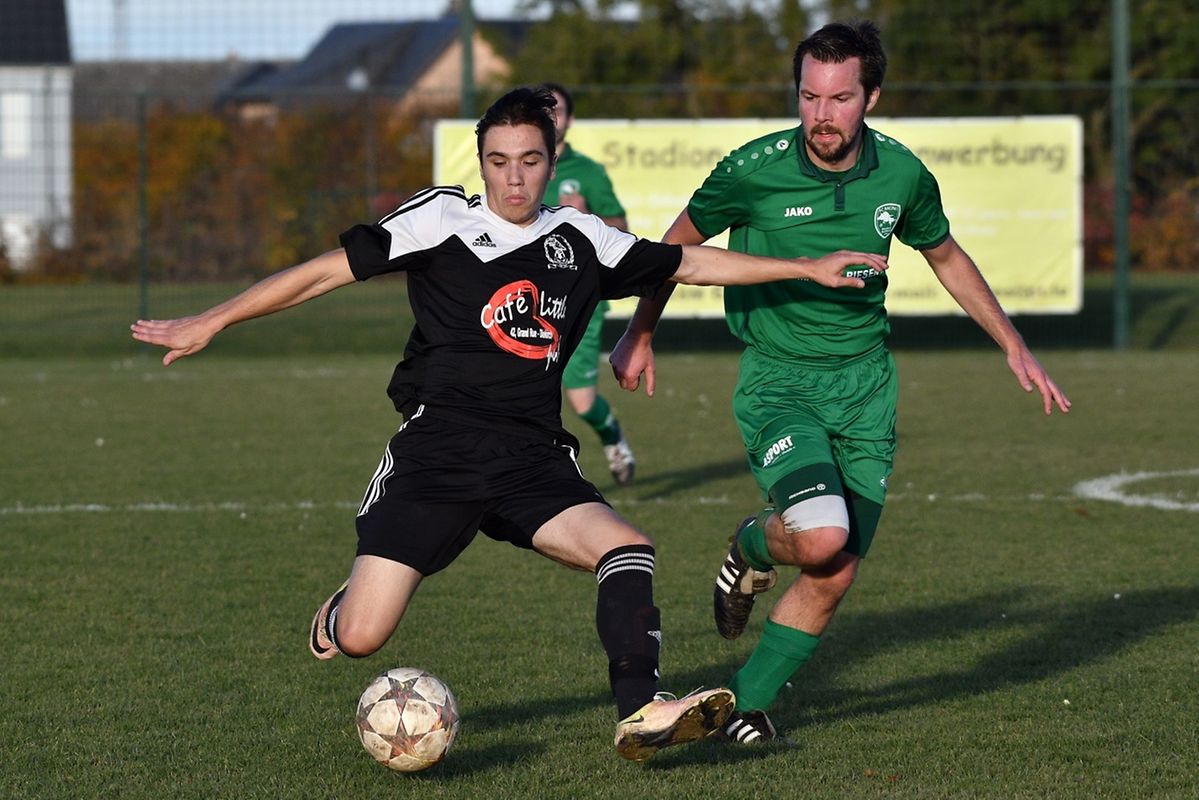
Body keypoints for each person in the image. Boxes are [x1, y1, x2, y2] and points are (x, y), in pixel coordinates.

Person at [130, 87, 888, 761]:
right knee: (362, 637)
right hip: (438, 454)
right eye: (498, 161)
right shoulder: (441, 221)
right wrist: (215, 319)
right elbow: (326, 270)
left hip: (531, 460)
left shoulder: (581, 239)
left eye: (529, 160)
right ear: (482, 162)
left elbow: (685, 264)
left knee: (627, 549)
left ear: (551, 161)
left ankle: (639, 711)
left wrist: (805, 268)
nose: (514, 177)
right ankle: (341, 607)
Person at [610, 21, 1072, 744]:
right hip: (779, 381)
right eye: (808, 97)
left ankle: (746, 705)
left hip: (865, 390)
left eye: (839, 98)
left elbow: (944, 255)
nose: (821, 115)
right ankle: (753, 544)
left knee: (837, 569)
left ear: (871, 97)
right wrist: (640, 331)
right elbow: (671, 250)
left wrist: (1012, 342)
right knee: (822, 536)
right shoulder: (750, 169)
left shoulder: (902, 174)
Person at [539, 82, 637, 486]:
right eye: (543, 109)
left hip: (580, 299)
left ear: (570, 119)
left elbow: (621, 226)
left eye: (558, 110)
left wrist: (587, 214)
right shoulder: (521, 166)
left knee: (580, 399)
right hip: (529, 298)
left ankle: (613, 439)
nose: (551, 117)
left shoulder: (587, 172)